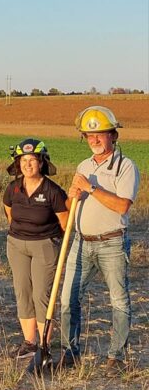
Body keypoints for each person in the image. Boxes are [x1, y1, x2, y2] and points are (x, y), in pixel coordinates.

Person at [59, 106, 139, 375]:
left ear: (113, 135)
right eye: (88, 135)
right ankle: (69, 352)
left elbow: (122, 206)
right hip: (81, 242)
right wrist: (73, 195)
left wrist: (91, 188)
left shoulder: (125, 166)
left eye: (99, 134)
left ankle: (115, 357)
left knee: (118, 300)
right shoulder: (84, 166)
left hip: (112, 242)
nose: (93, 140)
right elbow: (73, 208)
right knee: (68, 298)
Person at [2, 139, 68, 359]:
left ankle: (44, 345)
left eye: (32, 160)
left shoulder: (53, 191)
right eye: (23, 160)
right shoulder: (13, 188)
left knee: (41, 294)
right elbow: (9, 213)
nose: (27, 164)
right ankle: (29, 342)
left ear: (41, 163)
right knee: (23, 292)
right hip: (17, 245)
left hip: (45, 246)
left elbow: (65, 224)